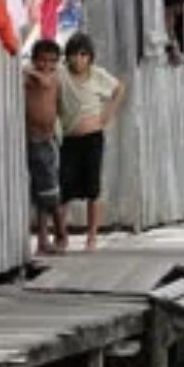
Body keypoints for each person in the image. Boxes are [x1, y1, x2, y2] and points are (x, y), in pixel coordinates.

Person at [58, 34, 124, 251]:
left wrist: (108, 113)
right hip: (69, 138)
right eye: (74, 55)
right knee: (63, 188)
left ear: (90, 57)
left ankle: (92, 236)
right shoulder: (62, 74)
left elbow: (119, 88)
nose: (78, 60)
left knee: (92, 187)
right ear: (67, 57)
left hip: (92, 137)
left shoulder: (97, 75)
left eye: (83, 55)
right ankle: (61, 235)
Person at [24, 39, 66, 255]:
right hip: (34, 139)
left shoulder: (54, 79)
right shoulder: (30, 79)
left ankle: (50, 237)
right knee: (46, 190)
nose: (47, 65)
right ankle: (54, 233)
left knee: (47, 191)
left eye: (52, 61)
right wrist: (34, 73)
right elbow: (25, 75)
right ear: (34, 60)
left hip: (49, 139)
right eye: (42, 61)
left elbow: (54, 96)